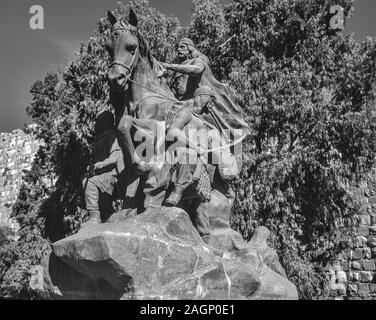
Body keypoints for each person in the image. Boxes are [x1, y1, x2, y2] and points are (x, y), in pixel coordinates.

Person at [81, 111, 125, 229]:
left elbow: (116, 157)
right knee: (87, 182)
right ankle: (106, 216)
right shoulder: (98, 139)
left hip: (111, 174)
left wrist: (100, 165)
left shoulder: (111, 135)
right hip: (101, 174)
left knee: (88, 182)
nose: (98, 123)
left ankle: (94, 217)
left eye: (101, 121)